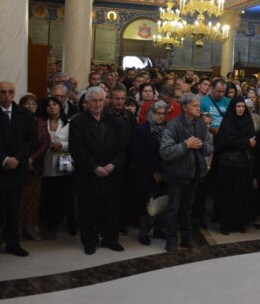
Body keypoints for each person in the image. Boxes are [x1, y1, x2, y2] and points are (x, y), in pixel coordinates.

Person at [0, 82, 38, 264]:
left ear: (14, 94)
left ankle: (13, 244)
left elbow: (32, 140)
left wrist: (17, 159)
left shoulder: (26, 115)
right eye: (3, 92)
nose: (7, 95)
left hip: (16, 171)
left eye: (10, 92)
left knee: (14, 211)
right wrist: (4, 159)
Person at [69, 87, 128, 255]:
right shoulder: (78, 122)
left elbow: (123, 148)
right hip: (88, 174)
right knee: (88, 211)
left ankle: (110, 240)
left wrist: (114, 164)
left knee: (111, 210)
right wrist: (94, 167)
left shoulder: (114, 122)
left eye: (101, 100)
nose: (98, 104)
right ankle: (89, 242)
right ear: (87, 103)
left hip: (111, 173)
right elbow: (77, 149)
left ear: (105, 101)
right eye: (94, 101)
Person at [160, 94, 213, 252]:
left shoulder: (201, 124)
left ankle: (186, 238)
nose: (199, 108)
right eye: (195, 106)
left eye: (199, 105)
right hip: (177, 174)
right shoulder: (173, 125)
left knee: (187, 208)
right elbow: (165, 152)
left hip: (194, 173)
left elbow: (210, 147)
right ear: (185, 108)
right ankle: (171, 241)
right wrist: (185, 146)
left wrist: (200, 145)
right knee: (173, 209)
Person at [215, 96, 256, 235]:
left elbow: (253, 141)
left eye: (243, 106)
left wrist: (245, 143)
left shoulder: (248, 121)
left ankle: (239, 223)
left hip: (243, 164)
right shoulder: (228, 121)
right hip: (227, 164)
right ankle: (225, 224)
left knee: (241, 194)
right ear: (233, 107)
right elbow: (226, 140)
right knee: (227, 195)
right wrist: (245, 142)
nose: (241, 109)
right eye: (238, 106)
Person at [130, 101, 167, 245]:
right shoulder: (141, 129)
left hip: (164, 172)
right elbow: (139, 153)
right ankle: (143, 232)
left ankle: (159, 229)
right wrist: (154, 170)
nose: (161, 116)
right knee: (144, 204)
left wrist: (163, 171)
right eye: (158, 113)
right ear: (151, 114)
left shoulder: (167, 129)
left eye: (163, 113)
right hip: (145, 172)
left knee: (162, 201)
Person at [38, 97, 75, 238]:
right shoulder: (42, 123)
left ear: (60, 106)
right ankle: (51, 223)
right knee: (50, 195)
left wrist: (61, 145)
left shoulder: (69, 122)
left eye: (54, 104)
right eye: (48, 106)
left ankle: (72, 223)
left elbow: (75, 142)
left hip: (64, 159)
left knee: (67, 194)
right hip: (47, 161)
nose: (52, 107)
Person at [19, 94, 50, 241]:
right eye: (27, 104)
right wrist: (25, 159)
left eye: (33, 104)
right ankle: (16, 229)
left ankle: (30, 227)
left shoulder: (41, 122)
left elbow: (45, 143)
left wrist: (32, 159)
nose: (31, 106)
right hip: (19, 166)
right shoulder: (16, 121)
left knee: (33, 200)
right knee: (20, 200)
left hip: (36, 166)